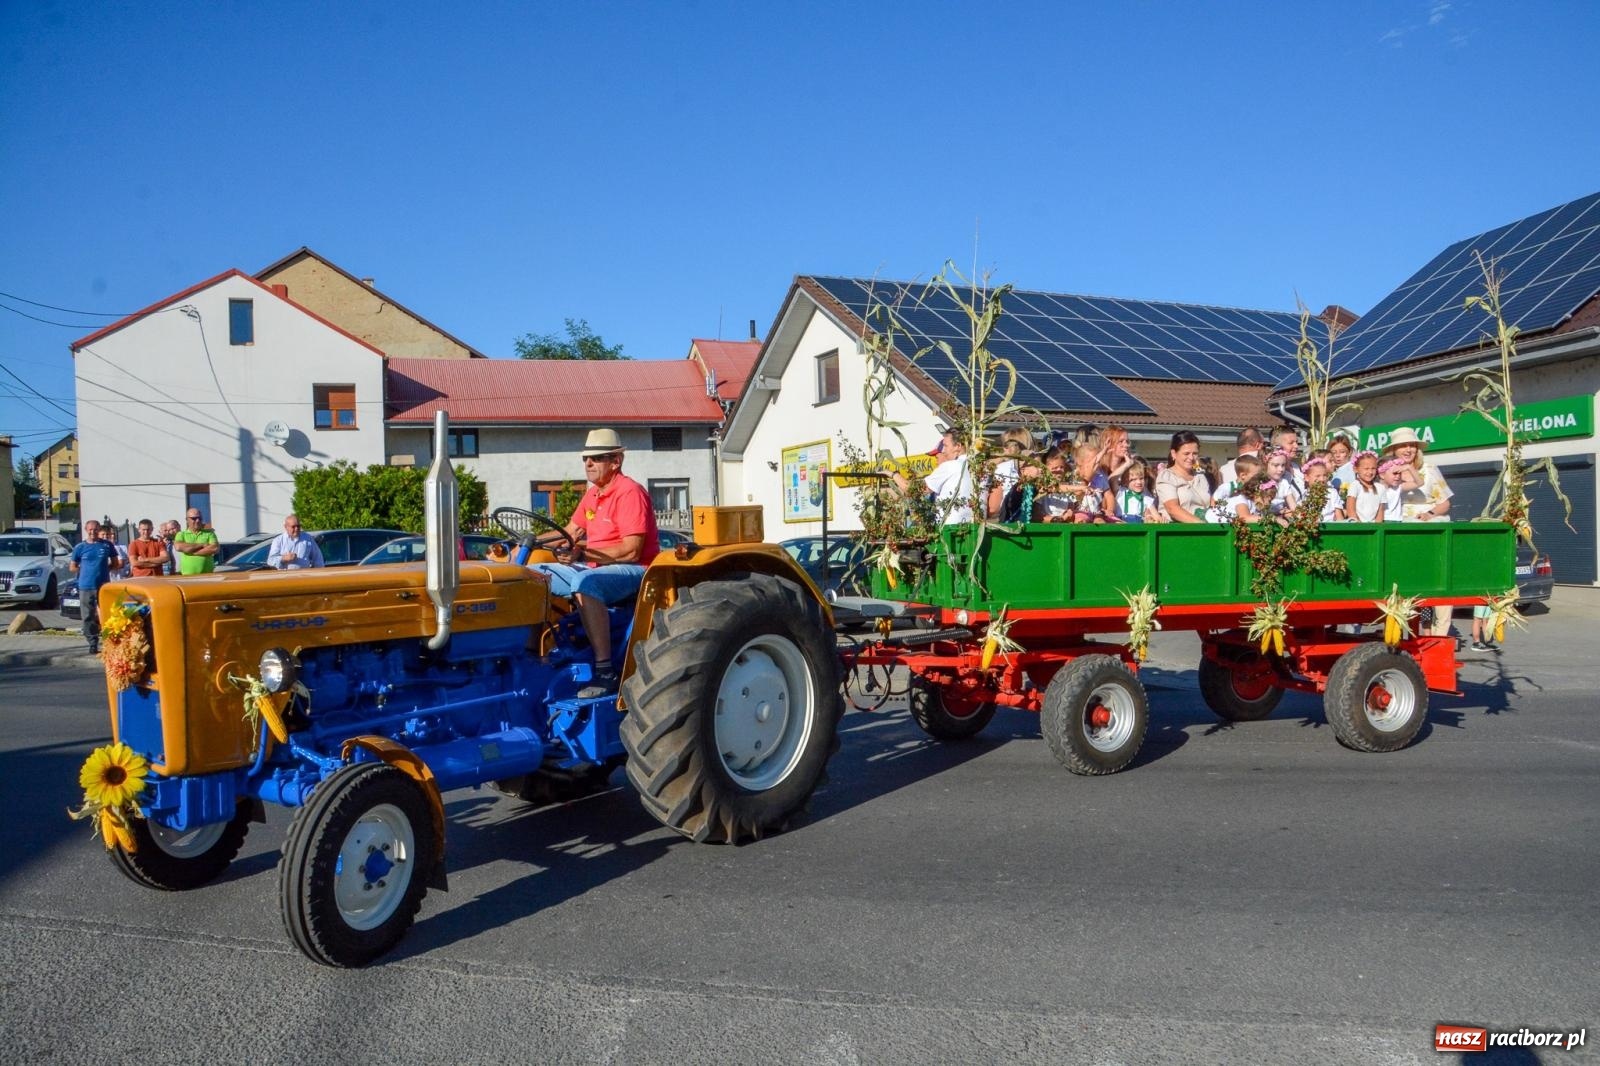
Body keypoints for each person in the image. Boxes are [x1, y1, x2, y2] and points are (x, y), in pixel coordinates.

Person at [531, 428, 660, 697]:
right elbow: (571, 531)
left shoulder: (629, 493)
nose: (588, 463)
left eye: (597, 457)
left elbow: (631, 550)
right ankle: (531, 655)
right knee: (529, 575)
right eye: (585, 458)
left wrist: (582, 554)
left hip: (637, 571)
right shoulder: (593, 494)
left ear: (616, 461)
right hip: (596, 567)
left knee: (585, 582)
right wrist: (528, 541)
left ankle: (604, 670)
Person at [1384, 427, 1455, 639]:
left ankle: (1439, 635)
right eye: (1403, 445)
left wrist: (1430, 513)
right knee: (1410, 585)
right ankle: (1412, 632)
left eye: (1412, 445)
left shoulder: (1430, 469)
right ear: (1394, 450)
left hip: (1431, 528)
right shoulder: (1388, 471)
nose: (1408, 449)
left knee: (1440, 583)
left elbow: (1445, 503)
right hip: (1402, 529)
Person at [894, 428, 974, 525]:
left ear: (958, 446)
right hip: (976, 528)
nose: (943, 451)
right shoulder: (979, 468)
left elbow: (912, 489)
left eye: (945, 446)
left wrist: (893, 474)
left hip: (950, 529)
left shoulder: (950, 466)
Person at [70, 522, 119, 654]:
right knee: (87, 616)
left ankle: (110, 641)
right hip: (86, 586)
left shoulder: (107, 545)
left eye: (96, 529)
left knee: (108, 614)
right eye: (91, 529)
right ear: (86, 530)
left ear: (99, 530)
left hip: (103, 585)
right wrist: (84, 571)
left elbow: (115, 563)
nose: (93, 532)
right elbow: (72, 567)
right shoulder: (80, 547)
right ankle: (92, 642)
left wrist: (104, 570)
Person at [1154, 431, 1211, 523]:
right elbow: (1172, 509)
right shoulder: (1166, 477)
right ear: (1174, 454)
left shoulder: (1201, 477)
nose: (1191, 458)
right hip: (1177, 532)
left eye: (1195, 453)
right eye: (1186, 453)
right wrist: (1200, 524)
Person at [172, 507, 220, 574]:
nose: (197, 520)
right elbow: (179, 547)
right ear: (187, 520)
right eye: (194, 518)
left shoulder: (209, 533)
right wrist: (202, 544)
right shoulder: (181, 534)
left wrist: (191, 552)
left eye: (199, 518)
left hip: (207, 576)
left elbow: (215, 548)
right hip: (188, 576)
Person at [1344, 451, 1385, 522]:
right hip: (1358, 527)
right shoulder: (1355, 485)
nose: (1370, 472)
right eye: (1366, 468)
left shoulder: (1380, 488)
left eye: (1373, 468)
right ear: (1356, 469)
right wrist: (1360, 526)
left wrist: (1377, 528)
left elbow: (1380, 512)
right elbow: (1350, 509)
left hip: (1374, 529)